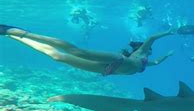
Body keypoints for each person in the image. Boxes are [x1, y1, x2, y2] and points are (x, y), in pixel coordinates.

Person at [0, 24, 174, 76]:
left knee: (58, 57)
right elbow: (151, 38)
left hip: (106, 69)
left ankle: (13, 37)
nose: (152, 51)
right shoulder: (142, 52)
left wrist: (167, 55)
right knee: (77, 51)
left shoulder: (147, 62)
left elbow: (157, 62)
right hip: (118, 59)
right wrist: (167, 32)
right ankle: (19, 32)